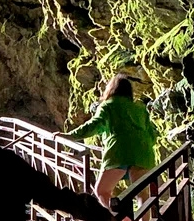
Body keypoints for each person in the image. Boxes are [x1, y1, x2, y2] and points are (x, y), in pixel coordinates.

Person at [64, 73, 158, 208]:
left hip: (119, 153)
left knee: (102, 191)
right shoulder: (140, 108)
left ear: (111, 89)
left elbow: (94, 125)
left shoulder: (108, 106)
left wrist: (70, 136)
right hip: (144, 152)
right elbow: (152, 135)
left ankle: (119, 220)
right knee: (142, 194)